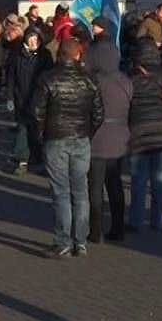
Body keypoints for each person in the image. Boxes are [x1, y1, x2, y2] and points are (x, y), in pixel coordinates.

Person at [30, 36, 103, 257]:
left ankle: (63, 240)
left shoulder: (48, 78)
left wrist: (43, 133)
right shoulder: (89, 79)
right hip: (81, 138)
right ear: (78, 55)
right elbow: (99, 113)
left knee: (61, 192)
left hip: (56, 138)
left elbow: (37, 111)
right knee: (80, 191)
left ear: (59, 54)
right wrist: (87, 132)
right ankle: (80, 240)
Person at [125, 39, 162, 232]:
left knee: (139, 178)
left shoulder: (130, 78)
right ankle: (158, 219)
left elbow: (125, 107)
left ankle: (136, 220)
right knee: (160, 177)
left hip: (139, 130)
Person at [86, 33, 131, 242]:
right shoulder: (126, 81)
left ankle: (95, 230)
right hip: (120, 137)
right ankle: (118, 227)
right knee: (115, 184)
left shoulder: (93, 82)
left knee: (95, 186)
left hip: (97, 137)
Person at [8, 27, 53, 174]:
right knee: (22, 129)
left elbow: (50, 76)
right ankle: (22, 160)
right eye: (31, 38)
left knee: (38, 130)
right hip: (21, 97)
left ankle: (39, 160)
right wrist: (9, 97)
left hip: (39, 98)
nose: (33, 41)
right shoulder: (17, 54)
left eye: (36, 38)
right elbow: (11, 77)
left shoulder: (45, 55)